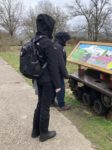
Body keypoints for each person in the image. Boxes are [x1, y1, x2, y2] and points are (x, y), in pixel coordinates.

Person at [32, 14, 61, 142]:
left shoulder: (34, 40)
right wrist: (58, 85)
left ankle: (35, 131)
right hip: (48, 81)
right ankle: (44, 133)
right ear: (49, 26)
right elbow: (54, 67)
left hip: (37, 78)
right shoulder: (48, 43)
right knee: (45, 107)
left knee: (39, 104)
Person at [52, 32, 71, 111]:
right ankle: (62, 105)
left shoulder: (54, 45)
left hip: (53, 72)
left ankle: (52, 102)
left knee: (53, 87)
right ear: (62, 39)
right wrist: (66, 74)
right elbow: (61, 63)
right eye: (66, 40)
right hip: (58, 73)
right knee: (61, 88)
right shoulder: (59, 48)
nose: (67, 41)